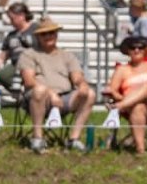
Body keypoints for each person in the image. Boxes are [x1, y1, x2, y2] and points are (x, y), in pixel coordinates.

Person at [18, 17, 96, 153]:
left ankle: (74, 139)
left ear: (56, 34)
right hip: (38, 98)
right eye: (44, 34)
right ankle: (37, 138)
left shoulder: (67, 55)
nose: (48, 36)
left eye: (52, 33)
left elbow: (77, 76)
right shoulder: (29, 54)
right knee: (39, 90)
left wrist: (82, 85)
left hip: (65, 97)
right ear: (37, 36)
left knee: (89, 93)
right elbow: (29, 81)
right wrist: (51, 93)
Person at [0, 2, 37, 93]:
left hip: (34, 63)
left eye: (12, 19)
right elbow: (2, 57)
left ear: (22, 16)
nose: (11, 22)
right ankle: (22, 95)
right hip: (16, 65)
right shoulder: (11, 35)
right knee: (3, 75)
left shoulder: (36, 29)